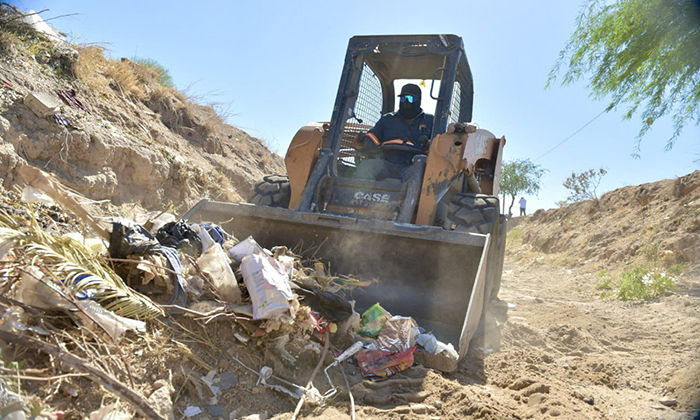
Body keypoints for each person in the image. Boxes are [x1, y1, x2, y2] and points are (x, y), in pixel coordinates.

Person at [354, 83, 434, 182]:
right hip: (386, 163)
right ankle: (358, 196)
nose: (406, 102)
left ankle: (410, 197)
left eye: (410, 98)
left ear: (419, 100)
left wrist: (430, 145)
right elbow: (372, 138)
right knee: (366, 167)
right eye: (403, 98)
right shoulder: (387, 119)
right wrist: (363, 141)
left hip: (412, 165)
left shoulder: (430, 121)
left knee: (420, 173)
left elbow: (438, 145)